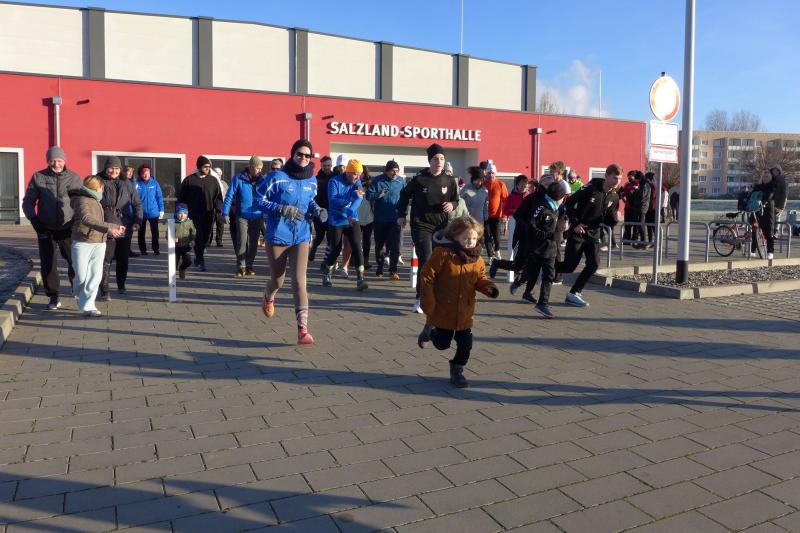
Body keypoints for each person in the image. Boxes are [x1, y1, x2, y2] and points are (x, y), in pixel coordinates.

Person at [255, 139, 326, 345]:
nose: (303, 158)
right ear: (292, 155)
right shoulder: (277, 177)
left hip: (301, 236)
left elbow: (310, 201)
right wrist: (281, 209)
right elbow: (258, 200)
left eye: (307, 155)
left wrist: (317, 210)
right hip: (278, 235)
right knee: (278, 280)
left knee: (299, 281)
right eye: (299, 154)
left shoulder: (312, 180)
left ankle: (302, 331)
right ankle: (268, 296)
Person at [417, 216, 499, 387]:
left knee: (466, 344)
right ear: (455, 236)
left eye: (474, 238)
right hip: (444, 310)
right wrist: (428, 299)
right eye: (466, 238)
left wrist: (488, 287)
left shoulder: (477, 259)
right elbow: (427, 275)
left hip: (465, 311)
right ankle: (430, 332)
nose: (470, 242)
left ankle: (457, 370)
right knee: (442, 344)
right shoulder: (443, 254)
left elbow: (480, 278)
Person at [397, 143, 460, 313]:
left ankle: (437, 294)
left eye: (442, 159)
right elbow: (404, 195)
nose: (439, 162)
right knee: (426, 259)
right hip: (421, 224)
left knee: (439, 262)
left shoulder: (449, 180)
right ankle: (421, 299)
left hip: (441, 226)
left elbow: (456, 199)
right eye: (435, 159)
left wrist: (452, 205)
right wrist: (401, 215)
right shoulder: (419, 179)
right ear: (429, 161)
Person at [22, 146, 82, 310]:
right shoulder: (38, 177)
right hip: (45, 227)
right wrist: (34, 220)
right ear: (48, 161)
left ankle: (77, 290)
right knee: (48, 262)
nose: (56, 164)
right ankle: (53, 296)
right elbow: (28, 202)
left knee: (75, 261)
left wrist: (79, 221)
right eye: (53, 160)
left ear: (65, 160)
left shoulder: (74, 178)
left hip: (68, 227)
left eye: (59, 160)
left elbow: (80, 202)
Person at [556, 164, 622, 307]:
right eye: (614, 178)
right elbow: (569, 203)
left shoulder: (615, 197)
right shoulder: (590, 188)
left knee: (593, 264)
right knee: (569, 267)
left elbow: (608, 221)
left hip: (594, 234)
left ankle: (574, 293)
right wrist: (575, 223)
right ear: (606, 176)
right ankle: (541, 267)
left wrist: (615, 219)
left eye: (619, 178)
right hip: (578, 232)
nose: (617, 181)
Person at [69, 176, 125, 316]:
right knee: (81, 276)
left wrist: (115, 227)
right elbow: (87, 219)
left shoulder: (97, 200)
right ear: (95, 187)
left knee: (95, 275)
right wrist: (109, 228)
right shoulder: (82, 200)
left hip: (99, 243)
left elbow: (100, 221)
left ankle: (89, 306)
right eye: (101, 187)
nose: (103, 189)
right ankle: (78, 293)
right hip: (82, 242)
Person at [519, 182, 568, 318]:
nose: (563, 200)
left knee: (546, 275)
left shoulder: (555, 207)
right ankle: (540, 302)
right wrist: (549, 235)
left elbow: (562, 215)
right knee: (543, 275)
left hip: (550, 248)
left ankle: (539, 301)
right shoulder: (543, 209)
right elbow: (531, 228)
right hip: (541, 249)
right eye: (563, 197)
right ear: (558, 198)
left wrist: (565, 221)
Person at [98, 156, 143, 299]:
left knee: (123, 259)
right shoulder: (97, 180)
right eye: (111, 168)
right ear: (105, 168)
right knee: (106, 260)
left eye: (117, 168)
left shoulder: (127, 182)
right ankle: (104, 289)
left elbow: (137, 203)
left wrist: (138, 220)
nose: (114, 171)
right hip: (105, 225)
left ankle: (121, 284)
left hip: (125, 225)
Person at [322, 160, 369, 290]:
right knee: (336, 249)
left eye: (359, 174)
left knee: (357, 246)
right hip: (336, 220)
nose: (357, 177)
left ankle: (360, 279)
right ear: (348, 172)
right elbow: (333, 201)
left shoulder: (357, 181)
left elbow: (359, 198)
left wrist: (351, 211)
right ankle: (327, 272)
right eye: (355, 174)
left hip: (352, 219)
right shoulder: (334, 182)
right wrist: (350, 197)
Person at [223, 156, 265, 277]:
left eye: (261, 168)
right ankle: (241, 266)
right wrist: (225, 212)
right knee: (242, 240)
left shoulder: (263, 180)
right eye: (257, 168)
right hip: (242, 215)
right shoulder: (238, 178)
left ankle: (250, 265)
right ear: (251, 167)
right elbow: (229, 195)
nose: (259, 171)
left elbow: (267, 197)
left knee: (254, 242)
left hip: (257, 215)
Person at [178, 156, 222, 271]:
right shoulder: (189, 180)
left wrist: (219, 210)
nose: (208, 169)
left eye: (209, 167)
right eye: (205, 166)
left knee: (205, 238)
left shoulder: (213, 180)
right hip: (193, 215)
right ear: (199, 166)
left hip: (208, 214)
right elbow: (181, 198)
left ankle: (197, 256)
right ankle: (199, 260)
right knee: (199, 237)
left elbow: (218, 197)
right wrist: (181, 212)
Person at [367, 160, 404, 280]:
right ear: (386, 171)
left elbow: (406, 198)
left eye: (397, 171)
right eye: (392, 171)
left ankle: (393, 270)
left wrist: (403, 215)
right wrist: (378, 194)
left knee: (395, 246)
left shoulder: (401, 181)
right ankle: (380, 266)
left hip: (395, 219)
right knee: (379, 245)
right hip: (380, 219)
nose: (395, 173)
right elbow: (368, 195)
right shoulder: (378, 180)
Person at [309, 155, 335, 261]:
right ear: (321, 166)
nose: (326, 167)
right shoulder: (316, 179)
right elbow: (312, 196)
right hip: (319, 211)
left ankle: (327, 258)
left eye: (328, 165)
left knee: (330, 237)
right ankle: (313, 248)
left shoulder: (335, 178)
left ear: (331, 165)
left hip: (332, 212)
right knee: (319, 236)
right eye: (324, 166)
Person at [135, 165, 164, 255]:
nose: (146, 175)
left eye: (147, 173)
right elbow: (133, 198)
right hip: (141, 213)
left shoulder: (154, 183)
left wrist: (161, 210)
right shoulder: (136, 183)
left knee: (155, 232)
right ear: (140, 174)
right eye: (143, 173)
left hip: (153, 212)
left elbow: (159, 197)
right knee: (141, 232)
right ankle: (143, 250)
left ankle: (156, 249)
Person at [750, 170, 777, 260]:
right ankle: (753, 250)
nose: (765, 178)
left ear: (771, 178)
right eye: (764, 177)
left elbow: (769, 196)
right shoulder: (758, 186)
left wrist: (761, 196)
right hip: (756, 210)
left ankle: (770, 251)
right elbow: (751, 195)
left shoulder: (772, 185)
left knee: (768, 232)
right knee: (754, 230)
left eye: (767, 177)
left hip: (767, 210)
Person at [484, 162, 508, 259]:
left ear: (495, 173)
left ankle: (497, 250)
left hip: (496, 215)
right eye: (489, 173)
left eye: (492, 173)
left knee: (497, 237)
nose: (491, 175)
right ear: (486, 173)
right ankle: (490, 256)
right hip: (485, 215)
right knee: (487, 236)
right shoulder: (483, 184)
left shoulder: (501, 184)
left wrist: (505, 215)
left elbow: (505, 200)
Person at [357, 166, 375, 270]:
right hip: (356, 216)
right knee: (356, 240)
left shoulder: (370, 185)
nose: (358, 174)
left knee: (367, 240)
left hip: (368, 216)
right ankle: (356, 260)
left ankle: (365, 260)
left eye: (361, 172)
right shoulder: (353, 184)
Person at [174, 203, 196, 280]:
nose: (182, 215)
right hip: (176, 246)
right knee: (174, 263)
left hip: (186, 245)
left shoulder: (189, 222)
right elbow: (168, 233)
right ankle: (172, 278)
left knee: (188, 260)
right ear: (176, 213)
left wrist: (192, 240)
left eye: (184, 213)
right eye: (180, 213)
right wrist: (172, 238)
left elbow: (193, 231)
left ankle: (182, 268)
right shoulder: (173, 222)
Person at [621, 171, 640, 242]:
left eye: (630, 176)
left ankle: (634, 239)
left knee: (635, 225)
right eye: (628, 177)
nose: (629, 178)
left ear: (634, 177)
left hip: (635, 209)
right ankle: (627, 239)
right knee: (627, 225)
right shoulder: (627, 184)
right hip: (628, 208)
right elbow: (623, 194)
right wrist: (625, 201)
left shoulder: (637, 184)